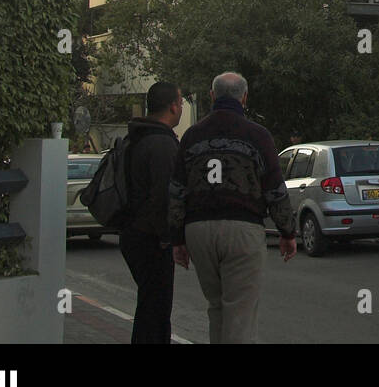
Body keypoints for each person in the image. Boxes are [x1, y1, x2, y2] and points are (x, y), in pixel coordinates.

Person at [168, 72, 298, 343]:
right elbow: (275, 189)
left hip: (198, 230)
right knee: (240, 312)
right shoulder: (258, 136)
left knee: (216, 308)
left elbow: (177, 192)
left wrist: (178, 238)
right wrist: (287, 232)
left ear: (212, 96)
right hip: (242, 228)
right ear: (244, 97)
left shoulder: (192, 136)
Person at [119, 81, 183, 344]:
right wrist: (169, 237)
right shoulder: (162, 144)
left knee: (148, 305)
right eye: (180, 102)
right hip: (150, 238)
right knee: (156, 309)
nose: (181, 108)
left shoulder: (136, 138)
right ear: (172, 106)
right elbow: (164, 197)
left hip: (132, 231)